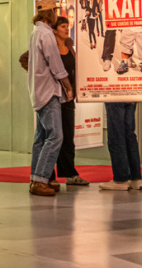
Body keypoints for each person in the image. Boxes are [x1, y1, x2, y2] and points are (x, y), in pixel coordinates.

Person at [19, 16, 90, 188]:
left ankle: (68, 173)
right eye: (63, 26)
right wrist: (42, 78)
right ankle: (45, 177)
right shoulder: (47, 42)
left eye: (68, 26)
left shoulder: (70, 47)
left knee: (65, 135)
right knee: (52, 136)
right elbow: (26, 59)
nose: (67, 29)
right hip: (52, 94)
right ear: (55, 29)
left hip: (68, 95)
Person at [27, 0, 74, 196]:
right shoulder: (46, 34)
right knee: (56, 136)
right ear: (50, 13)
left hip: (38, 92)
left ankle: (37, 177)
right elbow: (55, 64)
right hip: (48, 92)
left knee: (41, 138)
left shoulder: (36, 32)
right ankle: (40, 180)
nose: (57, 13)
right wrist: (68, 86)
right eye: (55, 11)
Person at [99, 101, 142, 192]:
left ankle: (120, 180)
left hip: (115, 95)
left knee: (116, 134)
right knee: (129, 135)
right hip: (131, 94)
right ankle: (135, 178)